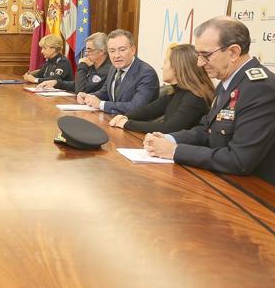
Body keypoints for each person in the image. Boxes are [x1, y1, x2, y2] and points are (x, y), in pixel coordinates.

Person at [144, 17, 275, 184]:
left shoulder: (260, 88)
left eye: (206, 55)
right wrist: (169, 139)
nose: (199, 63)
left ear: (233, 52)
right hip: (223, 181)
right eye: (199, 55)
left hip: (255, 193)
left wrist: (175, 151)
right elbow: (207, 130)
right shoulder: (227, 81)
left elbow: (239, 160)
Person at [109, 44, 214, 133]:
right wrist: (126, 116)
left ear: (177, 68)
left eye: (165, 63)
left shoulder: (194, 97)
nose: (162, 67)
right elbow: (149, 110)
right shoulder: (177, 92)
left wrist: (127, 124)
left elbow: (169, 128)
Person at [76, 29, 159, 114]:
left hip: (134, 124)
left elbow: (136, 107)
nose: (116, 55)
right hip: (113, 121)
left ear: (133, 50)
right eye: (112, 51)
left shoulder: (146, 73)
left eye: (122, 50)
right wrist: (88, 97)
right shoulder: (113, 68)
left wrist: (101, 104)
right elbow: (104, 93)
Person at [38, 32, 111, 93]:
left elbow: (81, 90)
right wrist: (56, 83)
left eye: (89, 50)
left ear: (101, 51)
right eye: (86, 50)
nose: (86, 54)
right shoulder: (92, 65)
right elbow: (77, 84)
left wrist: (82, 65)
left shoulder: (107, 70)